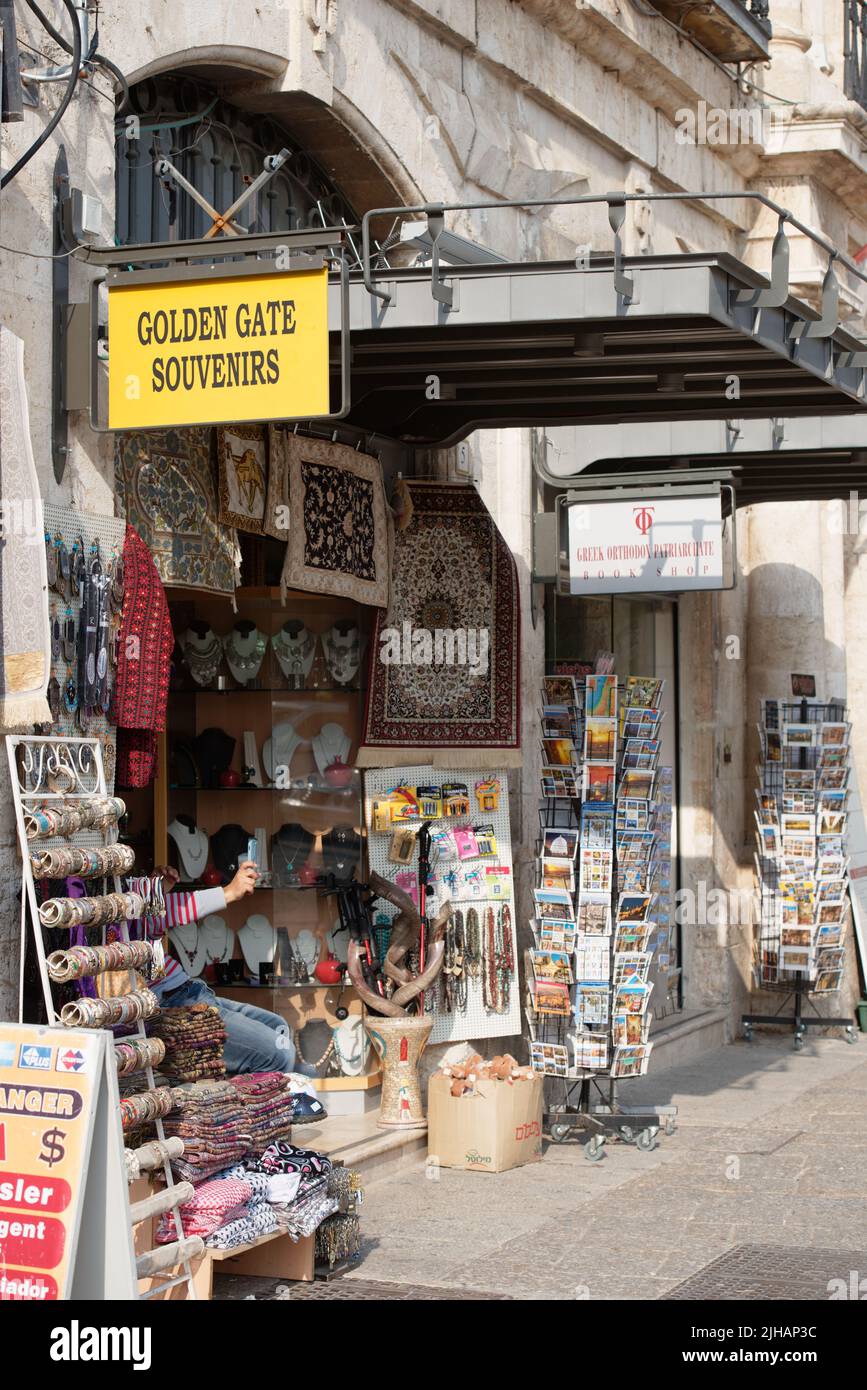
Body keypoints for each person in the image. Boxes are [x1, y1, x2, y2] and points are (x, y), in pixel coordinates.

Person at [136, 861, 322, 1098]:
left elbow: (151, 922)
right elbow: (167, 914)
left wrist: (156, 895)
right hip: (172, 1004)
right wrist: (229, 892)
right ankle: (259, 1122)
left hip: (189, 990)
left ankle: (252, 1097)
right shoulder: (105, 915)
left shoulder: (119, 904)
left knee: (279, 1027)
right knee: (280, 1053)